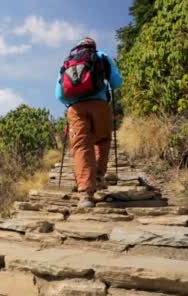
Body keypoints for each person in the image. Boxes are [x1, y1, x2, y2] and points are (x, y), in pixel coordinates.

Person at [55, 37, 123, 208]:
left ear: (77, 47)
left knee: (81, 146)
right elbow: (117, 82)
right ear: (93, 46)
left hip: (75, 108)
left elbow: (59, 95)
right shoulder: (102, 56)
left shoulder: (67, 62)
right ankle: (98, 176)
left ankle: (85, 194)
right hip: (100, 105)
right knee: (102, 139)